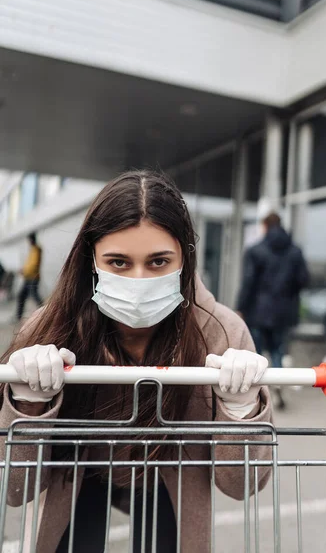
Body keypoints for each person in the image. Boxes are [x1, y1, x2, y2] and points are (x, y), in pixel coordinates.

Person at [0, 170, 272, 553]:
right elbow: (15, 489)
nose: (139, 279)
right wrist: (28, 404)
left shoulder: (222, 333)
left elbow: (242, 485)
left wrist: (242, 410)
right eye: (119, 262)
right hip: (81, 473)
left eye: (159, 262)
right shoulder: (50, 330)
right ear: (91, 260)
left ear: (186, 259)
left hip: (167, 477)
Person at [237, 212, 309, 409]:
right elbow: (303, 280)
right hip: (283, 312)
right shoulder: (295, 252)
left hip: (258, 311)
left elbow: (248, 282)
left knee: (257, 354)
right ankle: (278, 386)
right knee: (278, 351)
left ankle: (259, 394)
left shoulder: (256, 251)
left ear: (265, 226)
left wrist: (241, 307)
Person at [16, 232, 43, 321]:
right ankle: (18, 317)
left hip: (33, 278)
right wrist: (23, 270)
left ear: (32, 239)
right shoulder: (32, 250)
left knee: (35, 296)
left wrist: (24, 271)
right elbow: (28, 264)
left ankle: (45, 313)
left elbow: (34, 265)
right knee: (21, 295)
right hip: (28, 278)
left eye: (29, 240)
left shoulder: (37, 250)